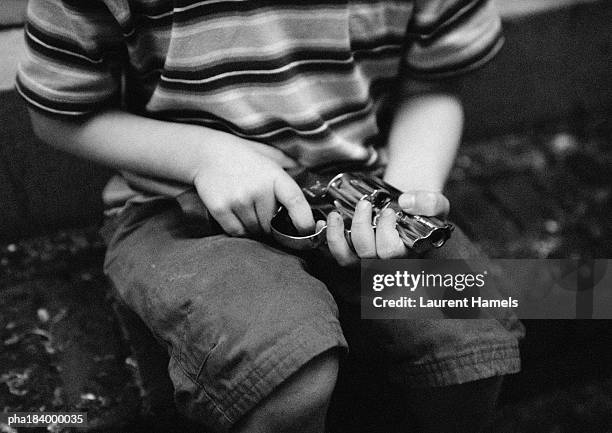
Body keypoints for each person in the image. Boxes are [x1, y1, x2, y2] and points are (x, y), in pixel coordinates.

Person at [17, 0, 524, 431]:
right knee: (286, 377)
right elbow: (61, 115)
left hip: (361, 187)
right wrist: (203, 158)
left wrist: (407, 194)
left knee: (471, 353)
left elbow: (433, 83)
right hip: (179, 207)